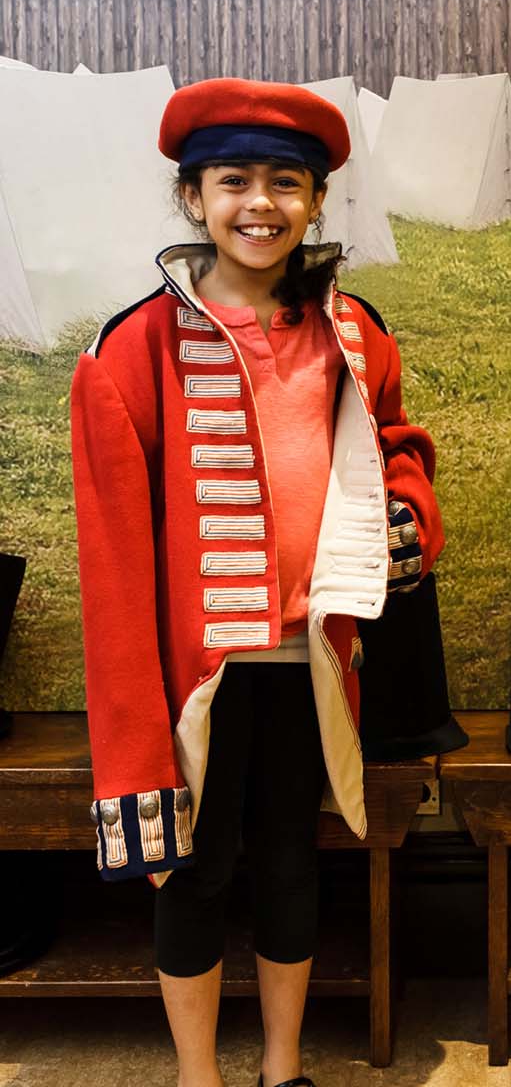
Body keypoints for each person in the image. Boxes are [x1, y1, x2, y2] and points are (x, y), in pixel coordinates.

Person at [71, 78, 443, 1087]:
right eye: (233, 179)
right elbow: (109, 567)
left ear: (317, 200)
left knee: (290, 858)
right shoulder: (131, 348)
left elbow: (399, 448)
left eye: (287, 181)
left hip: (308, 660)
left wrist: (410, 514)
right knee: (194, 869)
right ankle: (199, 1074)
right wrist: (135, 739)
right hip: (198, 676)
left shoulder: (352, 331)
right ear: (193, 198)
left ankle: (281, 1068)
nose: (260, 203)